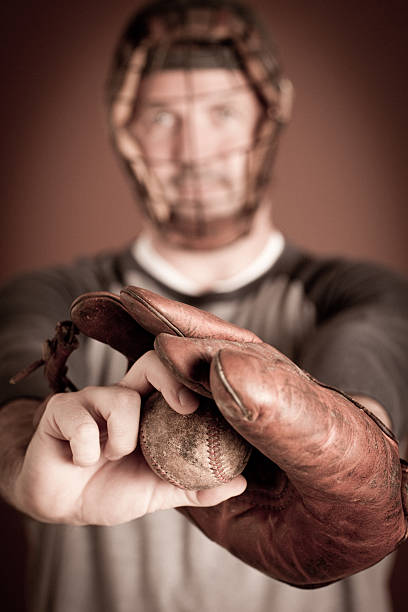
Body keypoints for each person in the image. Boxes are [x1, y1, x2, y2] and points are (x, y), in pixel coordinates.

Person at [0, 0, 407, 611]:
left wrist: (349, 438)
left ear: (265, 118)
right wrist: (24, 453)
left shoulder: (364, 294)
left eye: (221, 111)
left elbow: (367, 350)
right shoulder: (60, 300)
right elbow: (8, 395)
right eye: (163, 116)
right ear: (124, 129)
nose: (194, 149)